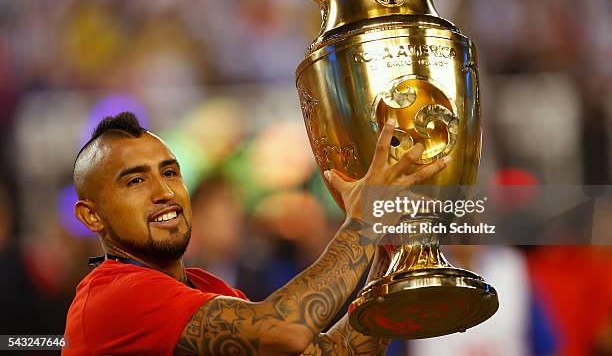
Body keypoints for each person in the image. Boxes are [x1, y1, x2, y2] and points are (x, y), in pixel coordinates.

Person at [63, 112, 449, 355]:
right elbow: (285, 330)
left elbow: (339, 349)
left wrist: (386, 248)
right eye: (134, 181)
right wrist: (362, 223)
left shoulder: (210, 290)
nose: (164, 191)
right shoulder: (114, 296)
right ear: (91, 216)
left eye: (169, 172)